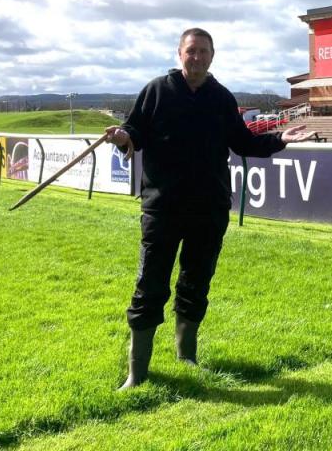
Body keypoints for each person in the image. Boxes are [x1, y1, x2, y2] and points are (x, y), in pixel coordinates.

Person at [105, 28, 312, 389]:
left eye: (203, 51)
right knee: (150, 287)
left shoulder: (221, 98)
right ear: (179, 54)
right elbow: (133, 131)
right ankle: (137, 374)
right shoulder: (156, 91)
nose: (197, 57)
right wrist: (124, 137)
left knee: (195, 284)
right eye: (191, 51)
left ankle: (187, 358)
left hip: (208, 210)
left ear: (212, 56)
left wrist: (280, 139)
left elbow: (244, 142)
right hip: (162, 209)